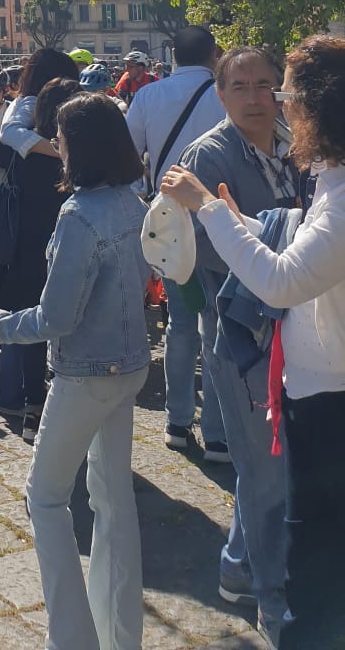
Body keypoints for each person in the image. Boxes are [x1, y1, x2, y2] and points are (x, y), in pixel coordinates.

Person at [163, 35, 345, 650]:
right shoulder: (342, 179)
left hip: (341, 402)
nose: (278, 106)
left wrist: (207, 209)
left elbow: (281, 277)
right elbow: (297, 238)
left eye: (283, 94)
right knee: (318, 551)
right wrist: (236, 219)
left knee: (320, 566)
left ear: (315, 107)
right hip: (323, 394)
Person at [0, 92, 152, 650]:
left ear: (83, 147)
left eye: (63, 141)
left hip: (86, 372)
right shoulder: (131, 201)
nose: (58, 150)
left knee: (45, 499)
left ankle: (71, 640)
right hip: (129, 364)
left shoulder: (79, 215)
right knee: (113, 501)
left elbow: (56, 316)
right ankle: (121, 636)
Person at [175, 46, 297, 646]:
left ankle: (235, 565)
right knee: (266, 470)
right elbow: (209, 244)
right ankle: (271, 602)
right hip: (244, 333)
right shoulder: (209, 155)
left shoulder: (294, 143)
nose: (254, 96)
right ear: (220, 95)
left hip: (298, 328)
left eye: (265, 84)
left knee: (268, 466)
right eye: (241, 86)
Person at [126, 26, 224, 456]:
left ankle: (177, 422)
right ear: (214, 54)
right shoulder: (227, 93)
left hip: (171, 223)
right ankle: (221, 432)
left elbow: (129, 160)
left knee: (182, 325)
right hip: (224, 219)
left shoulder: (148, 96)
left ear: (171, 54)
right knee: (221, 326)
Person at [0, 77, 78, 439]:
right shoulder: (80, 155)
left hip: (22, 251)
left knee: (24, 327)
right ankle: (52, 408)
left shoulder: (21, 144)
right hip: (65, 250)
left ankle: (27, 406)